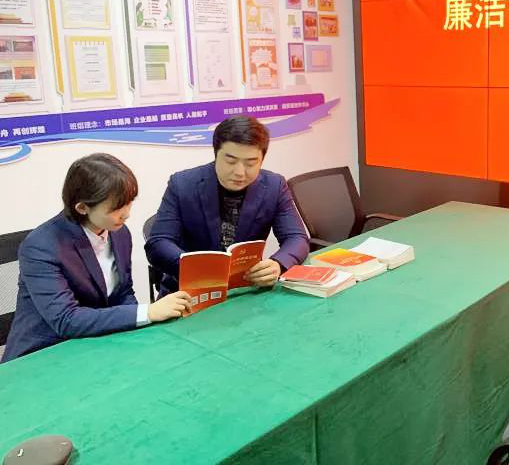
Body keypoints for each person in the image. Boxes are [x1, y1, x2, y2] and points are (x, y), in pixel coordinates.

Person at [2, 154, 191, 363]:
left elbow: (122, 293)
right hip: (44, 354)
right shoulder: (41, 246)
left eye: (129, 203)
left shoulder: (119, 232)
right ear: (82, 208)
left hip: (97, 344)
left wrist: (140, 328)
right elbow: (66, 319)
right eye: (116, 208)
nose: (126, 214)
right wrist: (148, 312)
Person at [145, 116, 309, 296]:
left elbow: (296, 237)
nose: (239, 172)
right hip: (189, 292)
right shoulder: (183, 184)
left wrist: (278, 264)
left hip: (245, 289)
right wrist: (195, 268)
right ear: (216, 154)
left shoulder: (274, 186)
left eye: (250, 163)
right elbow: (158, 243)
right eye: (230, 161)